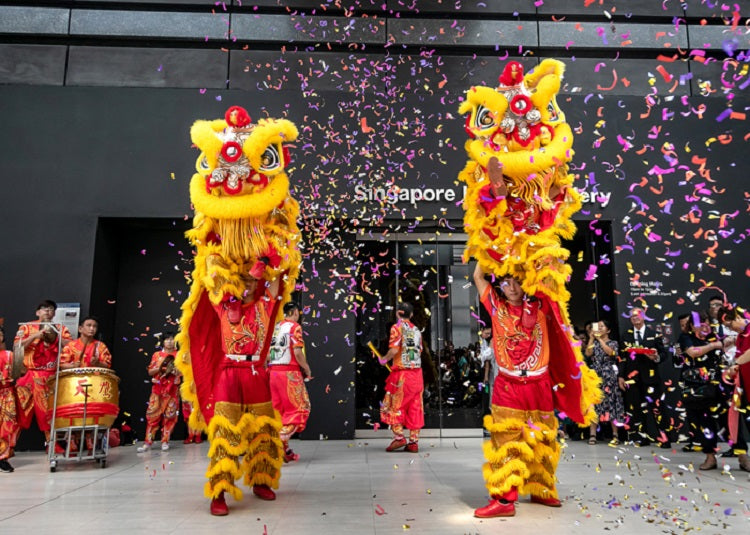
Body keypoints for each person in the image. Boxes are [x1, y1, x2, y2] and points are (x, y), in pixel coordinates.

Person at [472, 264, 600, 518]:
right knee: (507, 441)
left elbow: (550, 275)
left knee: (543, 438)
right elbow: (478, 276)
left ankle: (542, 488)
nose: (512, 288)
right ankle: (505, 499)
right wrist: (486, 249)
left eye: (517, 281)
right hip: (508, 386)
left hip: (539, 384)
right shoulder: (496, 306)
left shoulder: (542, 305)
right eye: (506, 282)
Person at [14, 300, 71, 445]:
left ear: (54, 313)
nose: (47, 311)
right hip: (28, 375)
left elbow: (71, 347)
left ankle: (53, 446)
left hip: (50, 376)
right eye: (44, 308)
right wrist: (35, 336)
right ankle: (7, 447)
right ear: (37, 312)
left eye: (51, 309)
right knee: (17, 411)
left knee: (49, 413)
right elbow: (17, 346)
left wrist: (55, 336)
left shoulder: (60, 328)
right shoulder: (26, 327)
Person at [618, 307, 671, 448]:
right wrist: (621, 377)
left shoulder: (654, 334)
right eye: (632, 316)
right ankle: (641, 437)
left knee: (657, 407)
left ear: (643, 317)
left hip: (651, 377)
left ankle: (664, 436)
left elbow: (664, 354)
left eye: (637, 315)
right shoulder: (626, 336)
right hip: (632, 378)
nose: (635, 318)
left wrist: (656, 357)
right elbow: (622, 358)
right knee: (636, 408)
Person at [681, 312, 727, 470]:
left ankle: (742, 455)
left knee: (728, 421)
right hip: (697, 389)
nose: (701, 327)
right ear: (692, 327)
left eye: (704, 323)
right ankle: (710, 457)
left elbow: (728, 346)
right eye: (697, 324)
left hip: (720, 386)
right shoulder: (686, 338)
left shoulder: (718, 335)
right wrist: (713, 346)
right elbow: (693, 352)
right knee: (704, 423)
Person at [268, 302, 311, 462]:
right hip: (289, 374)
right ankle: (279, 441)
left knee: (279, 413)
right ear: (294, 312)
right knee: (300, 408)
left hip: (273, 373)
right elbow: (298, 352)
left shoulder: (276, 327)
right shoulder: (294, 327)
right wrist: (306, 368)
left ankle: (284, 450)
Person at [380, 302, 424, 453]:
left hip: (402, 375)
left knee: (395, 405)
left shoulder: (396, 327)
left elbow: (393, 350)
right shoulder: (417, 330)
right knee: (415, 406)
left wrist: (384, 359)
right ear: (411, 315)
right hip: (417, 374)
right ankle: (413, 442)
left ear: (398, 313)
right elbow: (420, 351)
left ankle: (399, 438)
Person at [718, 306, 750, 472]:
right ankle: (743, 457)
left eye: (730, 326)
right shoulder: (740, 337)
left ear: (738, 317)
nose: (731, 329)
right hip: (744, 387)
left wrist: (737, 363)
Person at [137, 333, 180, 452]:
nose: (170, 342)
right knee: (152, 415)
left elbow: (182, 372)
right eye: (167, 340)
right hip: (157, 390)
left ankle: (165, 441)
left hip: (172, 391)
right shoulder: (157, 355)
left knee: (170, 416)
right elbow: (150, 372)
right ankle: (148, 442)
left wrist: (175, 371)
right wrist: (161, 368)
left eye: (172, 340)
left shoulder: (179, 355)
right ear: (163, 342)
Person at [584, 320, 623, 445]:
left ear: (608, 330)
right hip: (595, 374)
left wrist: (600, 340)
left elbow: (611, 353)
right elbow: (588, 353)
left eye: (602, 326)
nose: (599, 328)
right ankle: (593, 434)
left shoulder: (613, 343)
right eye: (598, 326)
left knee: (612, 403)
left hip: (609, 374)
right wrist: (591, 338)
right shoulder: (593, 342)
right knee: (594, 404)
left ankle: (615, 434)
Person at [0, 325, 21, 472]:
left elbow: (20, 372)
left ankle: (2, 458)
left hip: (6, 393)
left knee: (7, 427)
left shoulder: (9, 355)